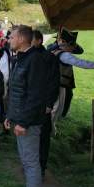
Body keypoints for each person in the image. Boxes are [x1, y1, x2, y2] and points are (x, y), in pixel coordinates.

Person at [4, 25, 46, 187]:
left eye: (11, 37)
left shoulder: (34, 60)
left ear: (21, 39)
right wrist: (10, 117)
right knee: (27, 161)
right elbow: (16, 91)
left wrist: (23, 122)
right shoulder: (21, 59)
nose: (9, 40)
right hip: (19, 119)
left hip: (28, 122)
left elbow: (35, 96)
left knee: (30, 163)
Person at [48, 27, 94, 119]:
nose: (73, 48)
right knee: (55, 109)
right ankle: (50, 129)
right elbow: (82, 63)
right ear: (66, 44)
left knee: (55, 108)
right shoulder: (64, 55)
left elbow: (79, 50)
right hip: (58, 84)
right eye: (72, 46)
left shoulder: (55, 50)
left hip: (55, 83)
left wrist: (61, 44)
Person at [31, 30, 59, 178]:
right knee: (30, 137)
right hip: (30, 105)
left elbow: (54, 82)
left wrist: (49, 103)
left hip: (43, 105)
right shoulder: (28, 56)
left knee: (43, 138)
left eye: (32, 40)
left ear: (40, 41)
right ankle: (31, 166)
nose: (30, 43)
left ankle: (41, 167)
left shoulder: (49, 58)